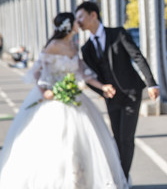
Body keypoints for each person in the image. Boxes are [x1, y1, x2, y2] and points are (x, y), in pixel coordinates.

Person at [0, 13, 129, 189]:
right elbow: (37, 71)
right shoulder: (53, 46)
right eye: (77, 21)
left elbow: (83, 74)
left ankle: (79, 182)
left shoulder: (73, 46)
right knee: (58, 142)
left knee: (80, 142)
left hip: (74, 97)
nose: (79, 23)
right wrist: (44, 90)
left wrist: (102, 86)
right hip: (53, 98)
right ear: (69, 26)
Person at [75, 1, 160, 181]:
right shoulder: (86, 49)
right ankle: (120, 175)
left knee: (126, 138)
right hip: (112, 98)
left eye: (81, 16)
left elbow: (137, 57)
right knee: (117, 138)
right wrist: (102, 92)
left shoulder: (118, 33)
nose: (78, 21)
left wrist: (152, 83)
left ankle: (123, 177)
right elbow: (90, 77)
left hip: (131, 93)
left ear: (93, 15)